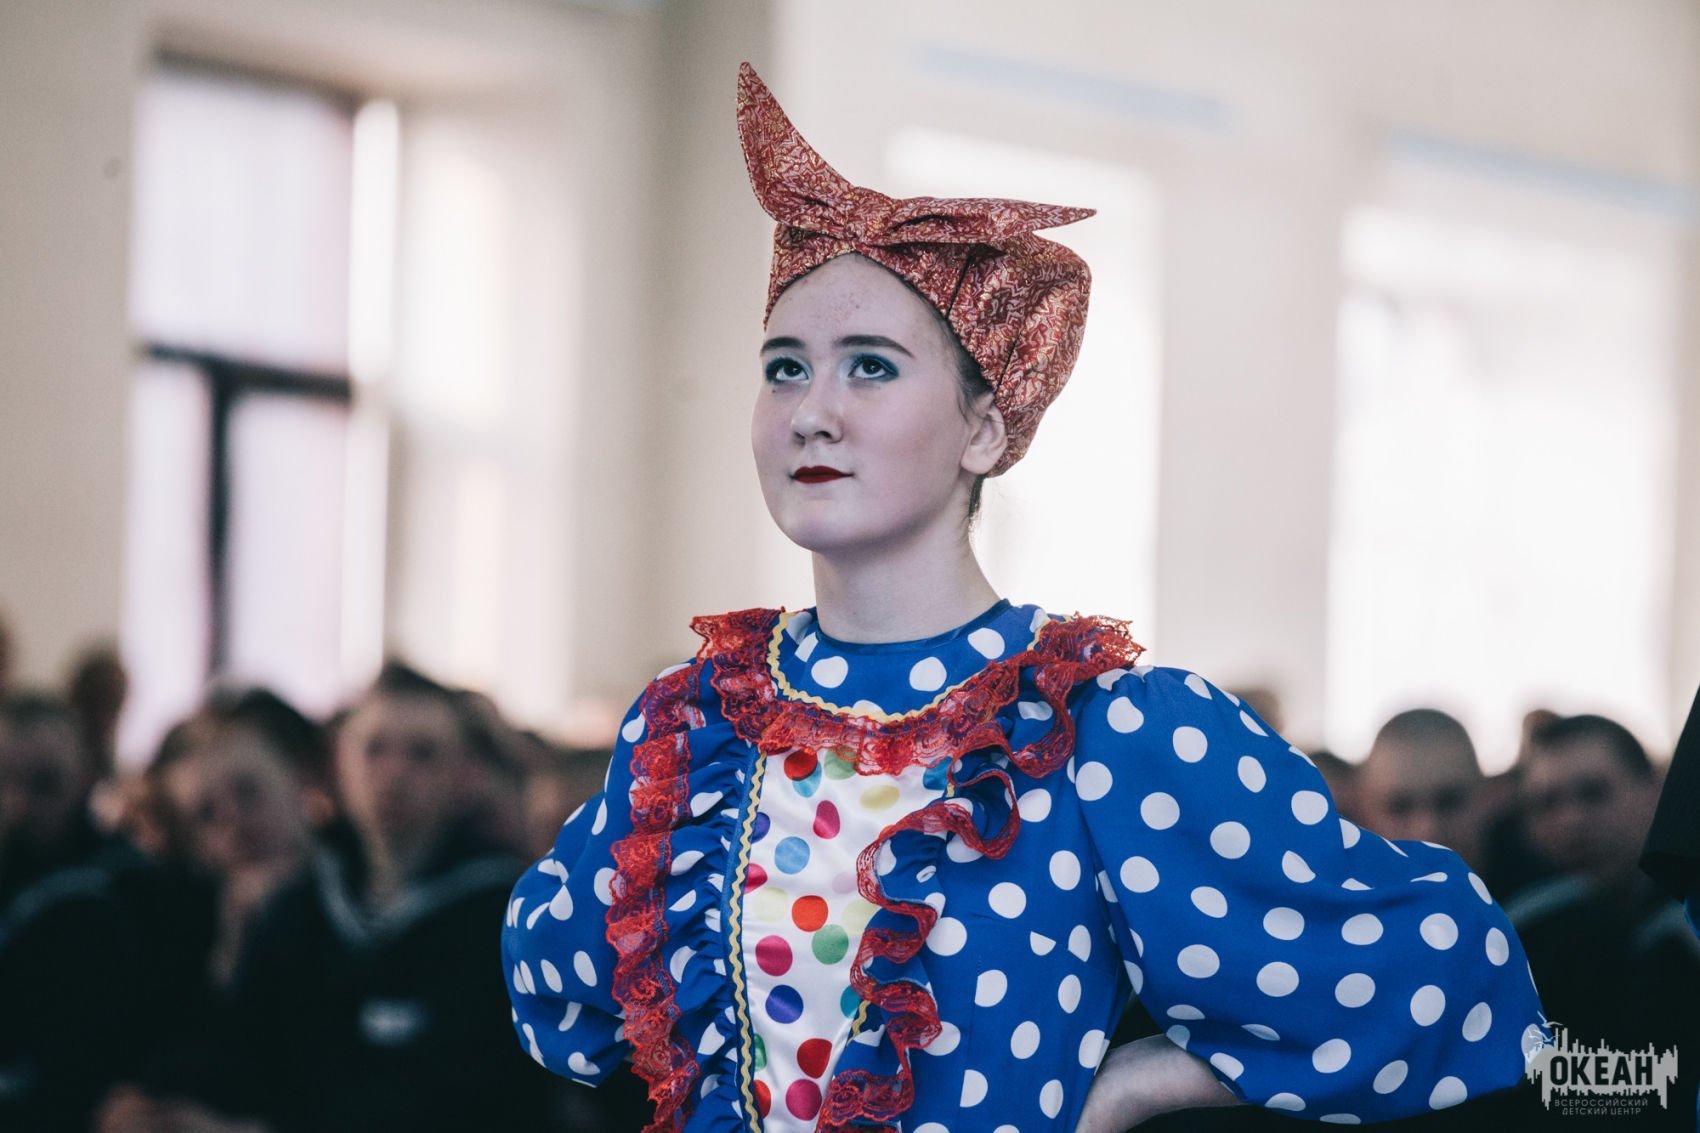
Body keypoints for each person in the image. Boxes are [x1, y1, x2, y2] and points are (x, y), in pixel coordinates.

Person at [503, 64, 1549, 1132]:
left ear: (985, 429)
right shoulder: (696, 721)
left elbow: (1441, 966)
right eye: (784, 367)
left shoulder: (1099, 728)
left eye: (870, 367)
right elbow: (558, 997)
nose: (812, 410)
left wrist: (1137, 1085)